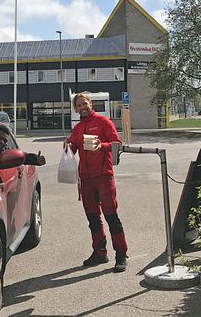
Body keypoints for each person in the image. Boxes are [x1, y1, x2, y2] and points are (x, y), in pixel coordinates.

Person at [64, 93, 127, 273]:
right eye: (79, 105)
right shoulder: (77, 129)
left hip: (104, 176)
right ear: (75, 109)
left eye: (85, 103)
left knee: (111, 215)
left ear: (91, 104)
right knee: (93, 218)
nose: (82, 107)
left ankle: (121, 254)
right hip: (85, 179)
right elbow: (73, 148)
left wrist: (103, 145)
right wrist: (67, 146)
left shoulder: (104, 122)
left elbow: (117, 144)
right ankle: (99, 252)